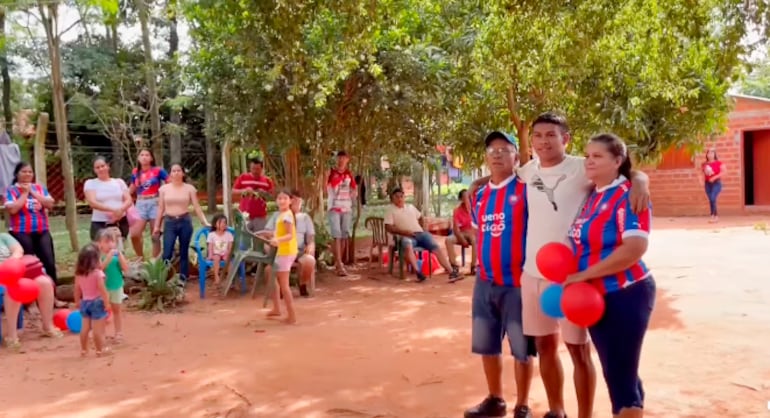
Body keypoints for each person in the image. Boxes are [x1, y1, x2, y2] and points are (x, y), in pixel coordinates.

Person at [471, 112, 651, 418]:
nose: (543, 141)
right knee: (545, 346)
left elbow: (620, 170)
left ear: (565, 139)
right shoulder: (528, 171)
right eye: (538, 135)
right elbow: (501, 175)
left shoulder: (583, 167)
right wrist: (478, 181)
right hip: (533, 275)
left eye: (551, 135)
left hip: (573, 277)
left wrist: (641, 180)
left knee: (579, 351)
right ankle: (557, 409)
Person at [564, 133, 655, 418]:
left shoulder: (628, 194)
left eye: (597, 156)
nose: (589, 160)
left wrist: (582, 275)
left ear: (618, 161)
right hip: (597, 298)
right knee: (619, 372)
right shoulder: (593, 194)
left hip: (626, 293)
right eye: (587, 155)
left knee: (620, 378)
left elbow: (635, 248)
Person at [465, 131, 535, 418]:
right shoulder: (480, 195)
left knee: (522, 349)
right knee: (487, 345)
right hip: (485, 282)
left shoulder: (527, 189)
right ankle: (496, 399)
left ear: (516, 157)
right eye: (492, 150)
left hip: (517, 284)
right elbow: (477, 233)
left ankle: (523, 405)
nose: (497, 154)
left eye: (504, 150)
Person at [0, 232, 63, 351]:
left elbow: (18, 250)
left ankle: (47, 326)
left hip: (15, 270)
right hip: (3, 278)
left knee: (44, 282)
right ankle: (12, 336)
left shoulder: (4, 237)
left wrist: (11, 263)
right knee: (14, 287)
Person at [383, 188, 461, 282]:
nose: (399, 199)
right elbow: (388, 227)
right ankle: (418, 272)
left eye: (401, 196)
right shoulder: (391, 210)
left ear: (404, 197)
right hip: (405, 236)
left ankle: (451, 271)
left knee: (435, 246)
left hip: (420, 234)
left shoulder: (410, 207)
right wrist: (404, 232)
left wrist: (422, 228)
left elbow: (420, 217)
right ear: (392, 199)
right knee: (407, 245)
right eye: (397, 197)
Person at [4, 162, 58, 286]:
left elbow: (50, 204)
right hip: (20, 232)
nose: (27, 174)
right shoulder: (10, 190)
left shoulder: (38, 188)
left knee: (49, 262)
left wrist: (32, 192)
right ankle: (31, 299)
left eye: (30, 172)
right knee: (29, 264)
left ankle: (53, 296)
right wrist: (24, 194)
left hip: (42, 230)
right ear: (17, 174)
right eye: (24, 171)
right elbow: (13, 209)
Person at [153, 163, 210, 283]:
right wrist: (157, 226)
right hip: (169, 222)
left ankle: (183, 278)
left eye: (179, 170)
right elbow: (160, 208)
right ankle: (163, 279)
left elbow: (197, 207)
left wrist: (204, 221)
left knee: (184, 251)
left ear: (183, 173)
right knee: (167, 252)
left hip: (185, 221)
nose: (176, 173)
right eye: (173, 171)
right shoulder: (164, 189)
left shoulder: (189, 188)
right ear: (170, 174)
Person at [261, 189, 317, 297]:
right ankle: (279, 290)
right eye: (294, 200)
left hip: (299, 250)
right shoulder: (277, 216)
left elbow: (310, 236)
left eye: (298, 201)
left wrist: (310, 244)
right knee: (269, 270)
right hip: (280, 250)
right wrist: (272, 241)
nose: (296, 204)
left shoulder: (305, 217)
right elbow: (267, 233)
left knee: (309, 261)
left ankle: (302, 284)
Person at [265, 189, 299, 324]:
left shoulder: (287, 216)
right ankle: (277, 308)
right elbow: (279, 232)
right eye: (279, 198)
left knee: (284, 285)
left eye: (285, 198)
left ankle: (292, 316)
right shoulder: (282, 214)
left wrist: (278, 240)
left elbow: (289, 235)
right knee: (271, 274)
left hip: (285, 252)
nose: (282, 201)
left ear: (290, 201)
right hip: (282, 251)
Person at [74, 244, 113, 357]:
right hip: (97, 302)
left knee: (84, 329)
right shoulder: (98, 274)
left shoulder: (78, 274)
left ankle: (84, 349)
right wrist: (107, 302)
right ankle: (100, 350)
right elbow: (102, 289)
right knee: (98, 330)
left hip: (85, 302)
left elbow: (76, 289)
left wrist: (77, 301)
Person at [128, 149, 168, 260]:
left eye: (147, 155)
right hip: (140, 203)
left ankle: (155, 262)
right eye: (142, 155)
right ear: (138, 158)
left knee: (155, 235)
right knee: (134, 234)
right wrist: (123, 196)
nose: (144, 157)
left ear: (151, 158)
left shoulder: (158, 171)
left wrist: (164, 198)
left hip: (155, 202)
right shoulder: (135, 172)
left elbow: (169, 182)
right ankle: (140, 258)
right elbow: (132, 187)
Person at [84, 156, 133, 242]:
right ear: (94, 170)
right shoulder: (90, 183)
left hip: (120, 220)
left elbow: (128, 200)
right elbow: (92, 202)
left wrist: (120, 210)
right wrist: (113, 210)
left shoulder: (119, 182)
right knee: (101, 249)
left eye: (103, 166)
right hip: (100, 222)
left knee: (118, 249)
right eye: (97, 167)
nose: (101, 169)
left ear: (108, 166)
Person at [327, 150, 357, 276]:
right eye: (339, 158)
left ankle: (339, 262)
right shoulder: (331, 173)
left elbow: (354, 189)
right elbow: (326, 187)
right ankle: (339, 263)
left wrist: (353, 195)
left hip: (346, 208)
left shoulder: (349, 174)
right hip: (334, 207)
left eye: (344, 158)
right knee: (337, 235)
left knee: (344, 235)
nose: (341, 160)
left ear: (347, 159)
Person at [96, 228, 128, 343]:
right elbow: (100, 269)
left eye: (112, 241)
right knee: (101, 311)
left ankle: (118, 332)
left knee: (117, 310)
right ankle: (102, 333)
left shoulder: (117, 256)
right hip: (103, 288)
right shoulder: (98, 256)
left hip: (117, 286)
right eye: (106, 242)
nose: (110, 244)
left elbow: (125, 268)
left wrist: (120, 257)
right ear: (99, 244)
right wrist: (109, 257)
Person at [232, 158, 274, 232]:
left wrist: (264, 193)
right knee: (244, 238)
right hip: (245, 215)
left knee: (260, 238)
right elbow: (233, 191)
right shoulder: (243, 177)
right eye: (253, 168)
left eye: (257, 169)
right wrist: (244, 190)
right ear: (250, 168)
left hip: (260, 216)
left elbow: (272, 197)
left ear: (262, 168)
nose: (255, 171)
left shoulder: (267, 180)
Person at [445, 189, 476, 274]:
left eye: (470, 197)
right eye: (466, 197)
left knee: (475, 240)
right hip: (461, 233)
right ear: (462, 200)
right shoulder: (457, 210)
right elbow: (456, 229)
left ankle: (473, 267)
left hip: (472, 233)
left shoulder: (475, 209)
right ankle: (454, 266)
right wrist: (462, 239)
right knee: (448, 240)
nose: (469, 199)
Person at [207, 213, 234, 295]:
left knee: (228, 261)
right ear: (215, 224)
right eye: (221, 222)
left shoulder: (228, 234)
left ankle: (229, 279)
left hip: (225, 253)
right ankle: (216, 277)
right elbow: (210, 246)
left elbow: (230, 246)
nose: (223, 224)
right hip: (216, 253)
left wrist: (228, 253)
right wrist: (210, 255)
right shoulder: (211, 235)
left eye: (225, 223)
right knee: (216, 258)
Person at [702, 148, 723, 223]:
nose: (710, 155)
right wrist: (700, 181)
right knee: (711, 200)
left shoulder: (719, 163)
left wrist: (714, 177)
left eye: (712, 153)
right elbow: (700, 172)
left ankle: (715, 216)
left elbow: (723, 172)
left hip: (716, 183)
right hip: (707, 184)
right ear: (707, 155)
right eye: (709, 153)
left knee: (713, 197)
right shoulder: (704, 164)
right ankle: (712, 216)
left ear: (714, 154)